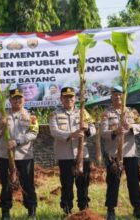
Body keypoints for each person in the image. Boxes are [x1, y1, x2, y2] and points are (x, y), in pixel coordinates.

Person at [0, 88, 39, 220]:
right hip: (6, 157)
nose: (17, 100)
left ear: (24, 99)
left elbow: (33, 133)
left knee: (28, 184)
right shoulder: (2, 115)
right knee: (6, 185)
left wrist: (17, 141)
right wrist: (1, 124)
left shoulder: (30, 115)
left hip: (24, 156)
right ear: (10, 100)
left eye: (20, 98)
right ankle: (5, 212)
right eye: (14, 98)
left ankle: (31, 211)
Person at [48, 87, 96, 216]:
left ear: (75, 98)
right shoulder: (55, 114)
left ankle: (84, 209)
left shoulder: (83, 112)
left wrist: (87, 130)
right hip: (65, 156)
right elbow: (54, 131)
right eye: (66, 97)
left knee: (83, 184)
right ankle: (67, 210)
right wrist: (71, 134)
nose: (69, 99)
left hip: (82, 155)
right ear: (61, 99)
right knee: (67, 184)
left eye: (71, 97)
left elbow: (93, 128)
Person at [101, 86, 140, 220]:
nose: (117, 97)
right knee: (113, 182)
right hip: (113, 155)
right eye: (115, 95)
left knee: (133, 182)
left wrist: (131, 127)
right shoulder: (106, 113)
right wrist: (114, 132)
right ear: (111, 98)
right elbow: (102, 132)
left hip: (130, 153)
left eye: (120, 95)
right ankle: (111, 209)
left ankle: (137, 208)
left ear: (124, 97)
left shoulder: (132, 112)